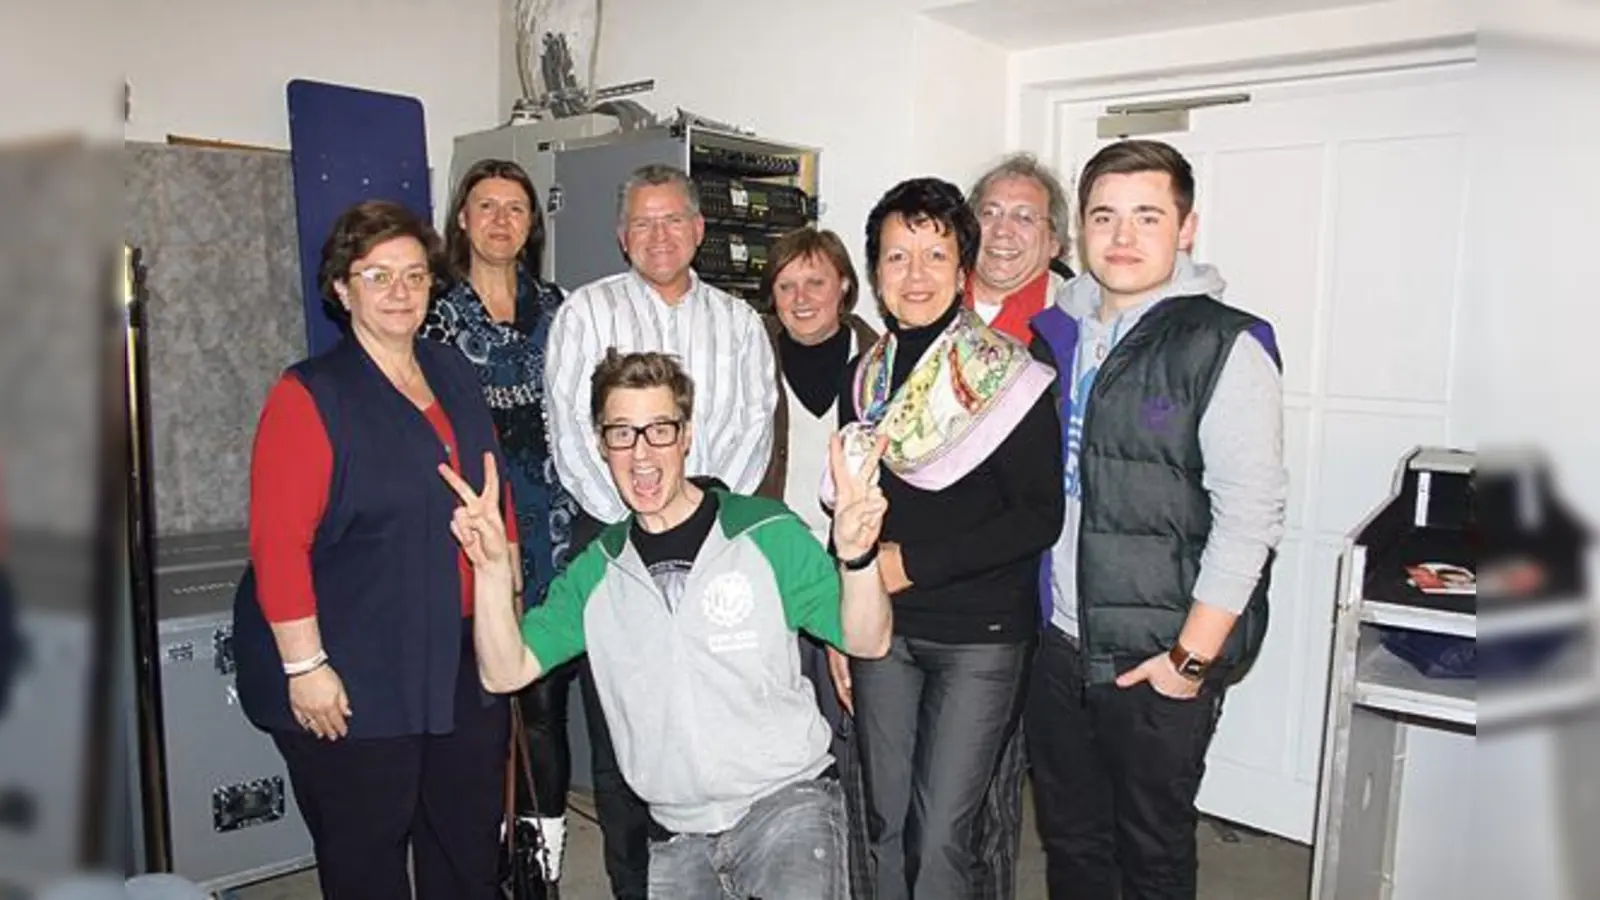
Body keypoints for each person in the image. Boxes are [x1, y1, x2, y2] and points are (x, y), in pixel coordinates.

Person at [454, 348, 895, 900]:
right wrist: (492, 571)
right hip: (676, 831)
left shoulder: (765, 532)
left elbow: (867, 637)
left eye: (659, 430)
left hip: (788, 805)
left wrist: (857, 556)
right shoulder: (596, 571)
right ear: (601, 444)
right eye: (622, 433)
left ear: (686, 436)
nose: (641, 453)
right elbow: (504, 670)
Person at [231, 200, 516, 900]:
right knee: (368, 851)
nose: (399, 292)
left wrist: (505, 599)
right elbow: (277, 543)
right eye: (378, 275)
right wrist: (306, 667)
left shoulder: (451, 370)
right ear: (341, 287)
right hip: (349, 661)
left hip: (456, 651)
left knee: (467, 837)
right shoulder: (310, 395)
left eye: (415, 276)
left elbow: (492, 489)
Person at [1026, 138, 1287, 900]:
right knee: (1072, 846)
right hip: (1060, 645)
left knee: (1152, 853)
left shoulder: (1223, 344)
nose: (1123, 237)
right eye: (1104, 216)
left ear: (1188, 226)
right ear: (1079, 231)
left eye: (1148, 216)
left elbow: (1251, 515)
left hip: (1156, 657)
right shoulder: (1055, 336)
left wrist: (1189, 662)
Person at [542, 163, 778, 898]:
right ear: (621, 236)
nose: (659, 235)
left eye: (673, 218)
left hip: (717, 549)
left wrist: (698, 529)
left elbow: (752, 428)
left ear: (700, 230)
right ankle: (633, 885)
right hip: (613, 543)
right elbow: (571, 435)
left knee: (714, 722)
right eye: (642, 222)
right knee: (624, 736)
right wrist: (636, 528)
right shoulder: (586, 314)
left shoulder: (738, 323)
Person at [830, 177, 1064, 900]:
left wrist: (912, 566)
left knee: (940, 841)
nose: (916, 275)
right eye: (897, 258)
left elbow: (1037, 516)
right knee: (885, 825)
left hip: (980, 636)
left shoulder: (1010, 375)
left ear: (963, 269)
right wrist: (844, 625)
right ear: (875, 276)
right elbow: (852, 520)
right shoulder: (864, 380)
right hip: (883, 634)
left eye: (935, 255)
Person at [423, 158, 579, 887]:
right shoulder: (432, 312)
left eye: (515, 208)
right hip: (470, 524)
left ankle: (543, 860)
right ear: (461, 218)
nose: (500, 220)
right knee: (480, 702)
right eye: (485, 206)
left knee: (544, 700)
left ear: (531, 224)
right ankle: (478, 851)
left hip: (554, 523)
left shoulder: (560, 306)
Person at [958, 150, 1081, 900]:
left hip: (1025, 588)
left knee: (994, 789)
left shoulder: (1076, 331)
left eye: (1025, 217)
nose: (1003, 231)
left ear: (1055, 241)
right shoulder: (928, 300)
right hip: (927, 582)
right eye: (990, 212)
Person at [754, 226, 879, 897]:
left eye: (816, 282)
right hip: (773, 569)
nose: (802, 297)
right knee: (781, 734)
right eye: (787, 285)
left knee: (854, 732)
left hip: (851, 569)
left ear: (844, 288)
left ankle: (855, 874)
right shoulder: (752, 353)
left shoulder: (881, 360)